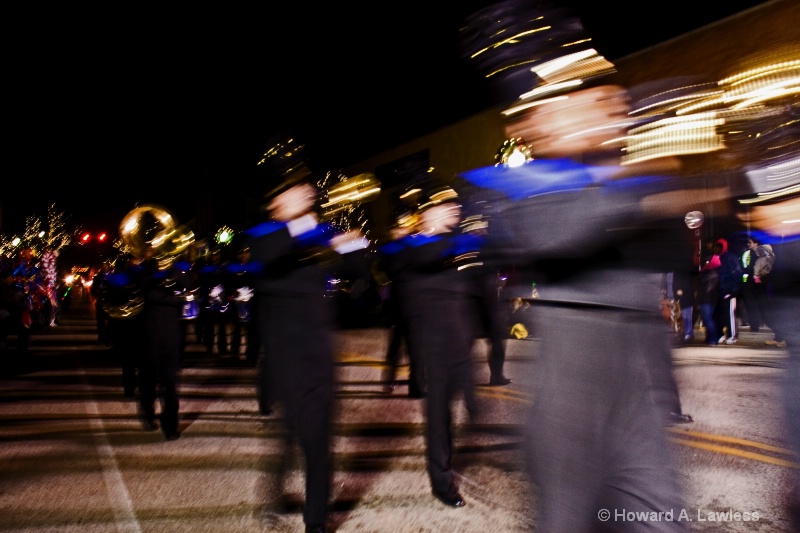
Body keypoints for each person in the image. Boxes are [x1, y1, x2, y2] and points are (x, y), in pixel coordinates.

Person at [456, 82, 729, 531]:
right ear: (539, 122)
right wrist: (647, 183)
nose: (608, 113)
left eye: (611, 103)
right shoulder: (517, 182)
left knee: (663, 518)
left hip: (637, 386)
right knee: (567, 520)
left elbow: (671, 254)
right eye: (590, 103)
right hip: (572, 388)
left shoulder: (622, 176)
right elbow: (558, 230)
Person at [244, 174, 370, 533]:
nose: (305, 193)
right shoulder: (265, 237)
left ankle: (314, 521)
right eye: (293, 190)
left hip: (319, 351)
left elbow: (360, 275)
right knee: (289, 433)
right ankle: (275, 491)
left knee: (318, 436)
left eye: (305, 188)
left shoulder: (320, 233)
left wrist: (353, 243)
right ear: (275, 203)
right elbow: (267, 259)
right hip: (284, 353)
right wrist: (306, 229)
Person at [392, 185, 481, 508]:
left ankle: (447, 463)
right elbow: (427, 255)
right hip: (433, 343)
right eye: (446, 206)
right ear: (428, 212)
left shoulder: (455, 245)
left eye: (456, 206)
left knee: (472, 409)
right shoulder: (415, 246)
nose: (455, 210)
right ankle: (441, 482)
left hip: (461, 338)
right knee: (439, 415)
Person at [138, 246, 196, 441]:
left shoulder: (176, 271)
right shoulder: (146, 271)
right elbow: (150, 294)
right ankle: (147, 413)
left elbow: (190, 289)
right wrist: (177, 298)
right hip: (148, 334)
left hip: (171, 335)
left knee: (170, 383)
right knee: (148, 379)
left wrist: (177, 271)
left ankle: (170, 425)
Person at [223, 243, 262, 365]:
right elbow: (227, 284)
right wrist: (232, 294)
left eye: (246, 253)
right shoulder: (232, 268)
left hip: (252, 301)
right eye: (242, 253)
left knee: (253, 330)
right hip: (236, 301)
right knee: (236, 329)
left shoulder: (254, 267)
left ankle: (252, 355)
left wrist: (253, 291)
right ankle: (235, 353)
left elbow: (259, 283)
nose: (244, 255)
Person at [713, 237, 743, 344]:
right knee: (720, 314)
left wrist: (733, 290)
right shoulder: (717, 259)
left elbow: (737, 274)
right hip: (720, 291)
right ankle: (721, 334)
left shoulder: (730, 258)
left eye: (718, 247)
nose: (715, 249)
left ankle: (733, 335)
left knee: (730, 314)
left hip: (729, 291)